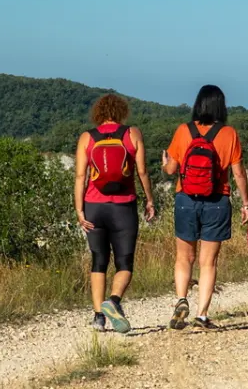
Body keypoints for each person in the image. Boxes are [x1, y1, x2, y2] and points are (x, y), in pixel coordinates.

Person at [162, 84, 248, 331]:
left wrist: (164, 163)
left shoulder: (184, 131)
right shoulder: (229, 134)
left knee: (184, 257)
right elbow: (239, 173)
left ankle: (181, 300)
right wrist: (245, 203)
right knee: (208, 262)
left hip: (185, 199)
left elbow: (171, 169)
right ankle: (202, 315)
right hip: (217, 200)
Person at [74, 93, 157, 333]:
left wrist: (79, 210)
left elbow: (80, 176)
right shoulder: (132, 134)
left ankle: (98, 317)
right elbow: (142, 172)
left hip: (94, 205)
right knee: (124, 261)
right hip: (123, 206)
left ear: (98, 113)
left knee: (99, 260)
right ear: (121, 111)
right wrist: (150, 200)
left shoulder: (87, 137)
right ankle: (114, 300)